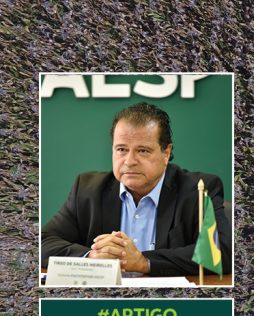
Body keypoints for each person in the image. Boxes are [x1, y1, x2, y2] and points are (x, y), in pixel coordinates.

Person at [41, 102, 231, 276]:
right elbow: (41, 242)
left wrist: (144, 262)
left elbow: (220, 252)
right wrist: (92, 257)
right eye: (121, 149)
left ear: (166, 153)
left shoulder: (198, 190)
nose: (130, 161)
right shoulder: (88, 190)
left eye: (142, 151)